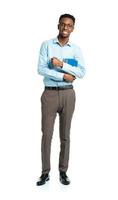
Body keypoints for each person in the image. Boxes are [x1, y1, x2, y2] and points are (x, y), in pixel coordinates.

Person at [37, 14, 86, 186]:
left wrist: (62, 65)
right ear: (58, 25)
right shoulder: (47, 45)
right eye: (63, 24)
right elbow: (41, 69)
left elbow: (81, 73)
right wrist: (63, 76)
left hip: (68, 95)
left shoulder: (76, 49)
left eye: (69, 25)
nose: (66, 27)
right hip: (49, 94)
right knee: (47, 135)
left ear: (73, 28)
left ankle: (63, 172)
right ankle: (45, 173)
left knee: (65, 135)